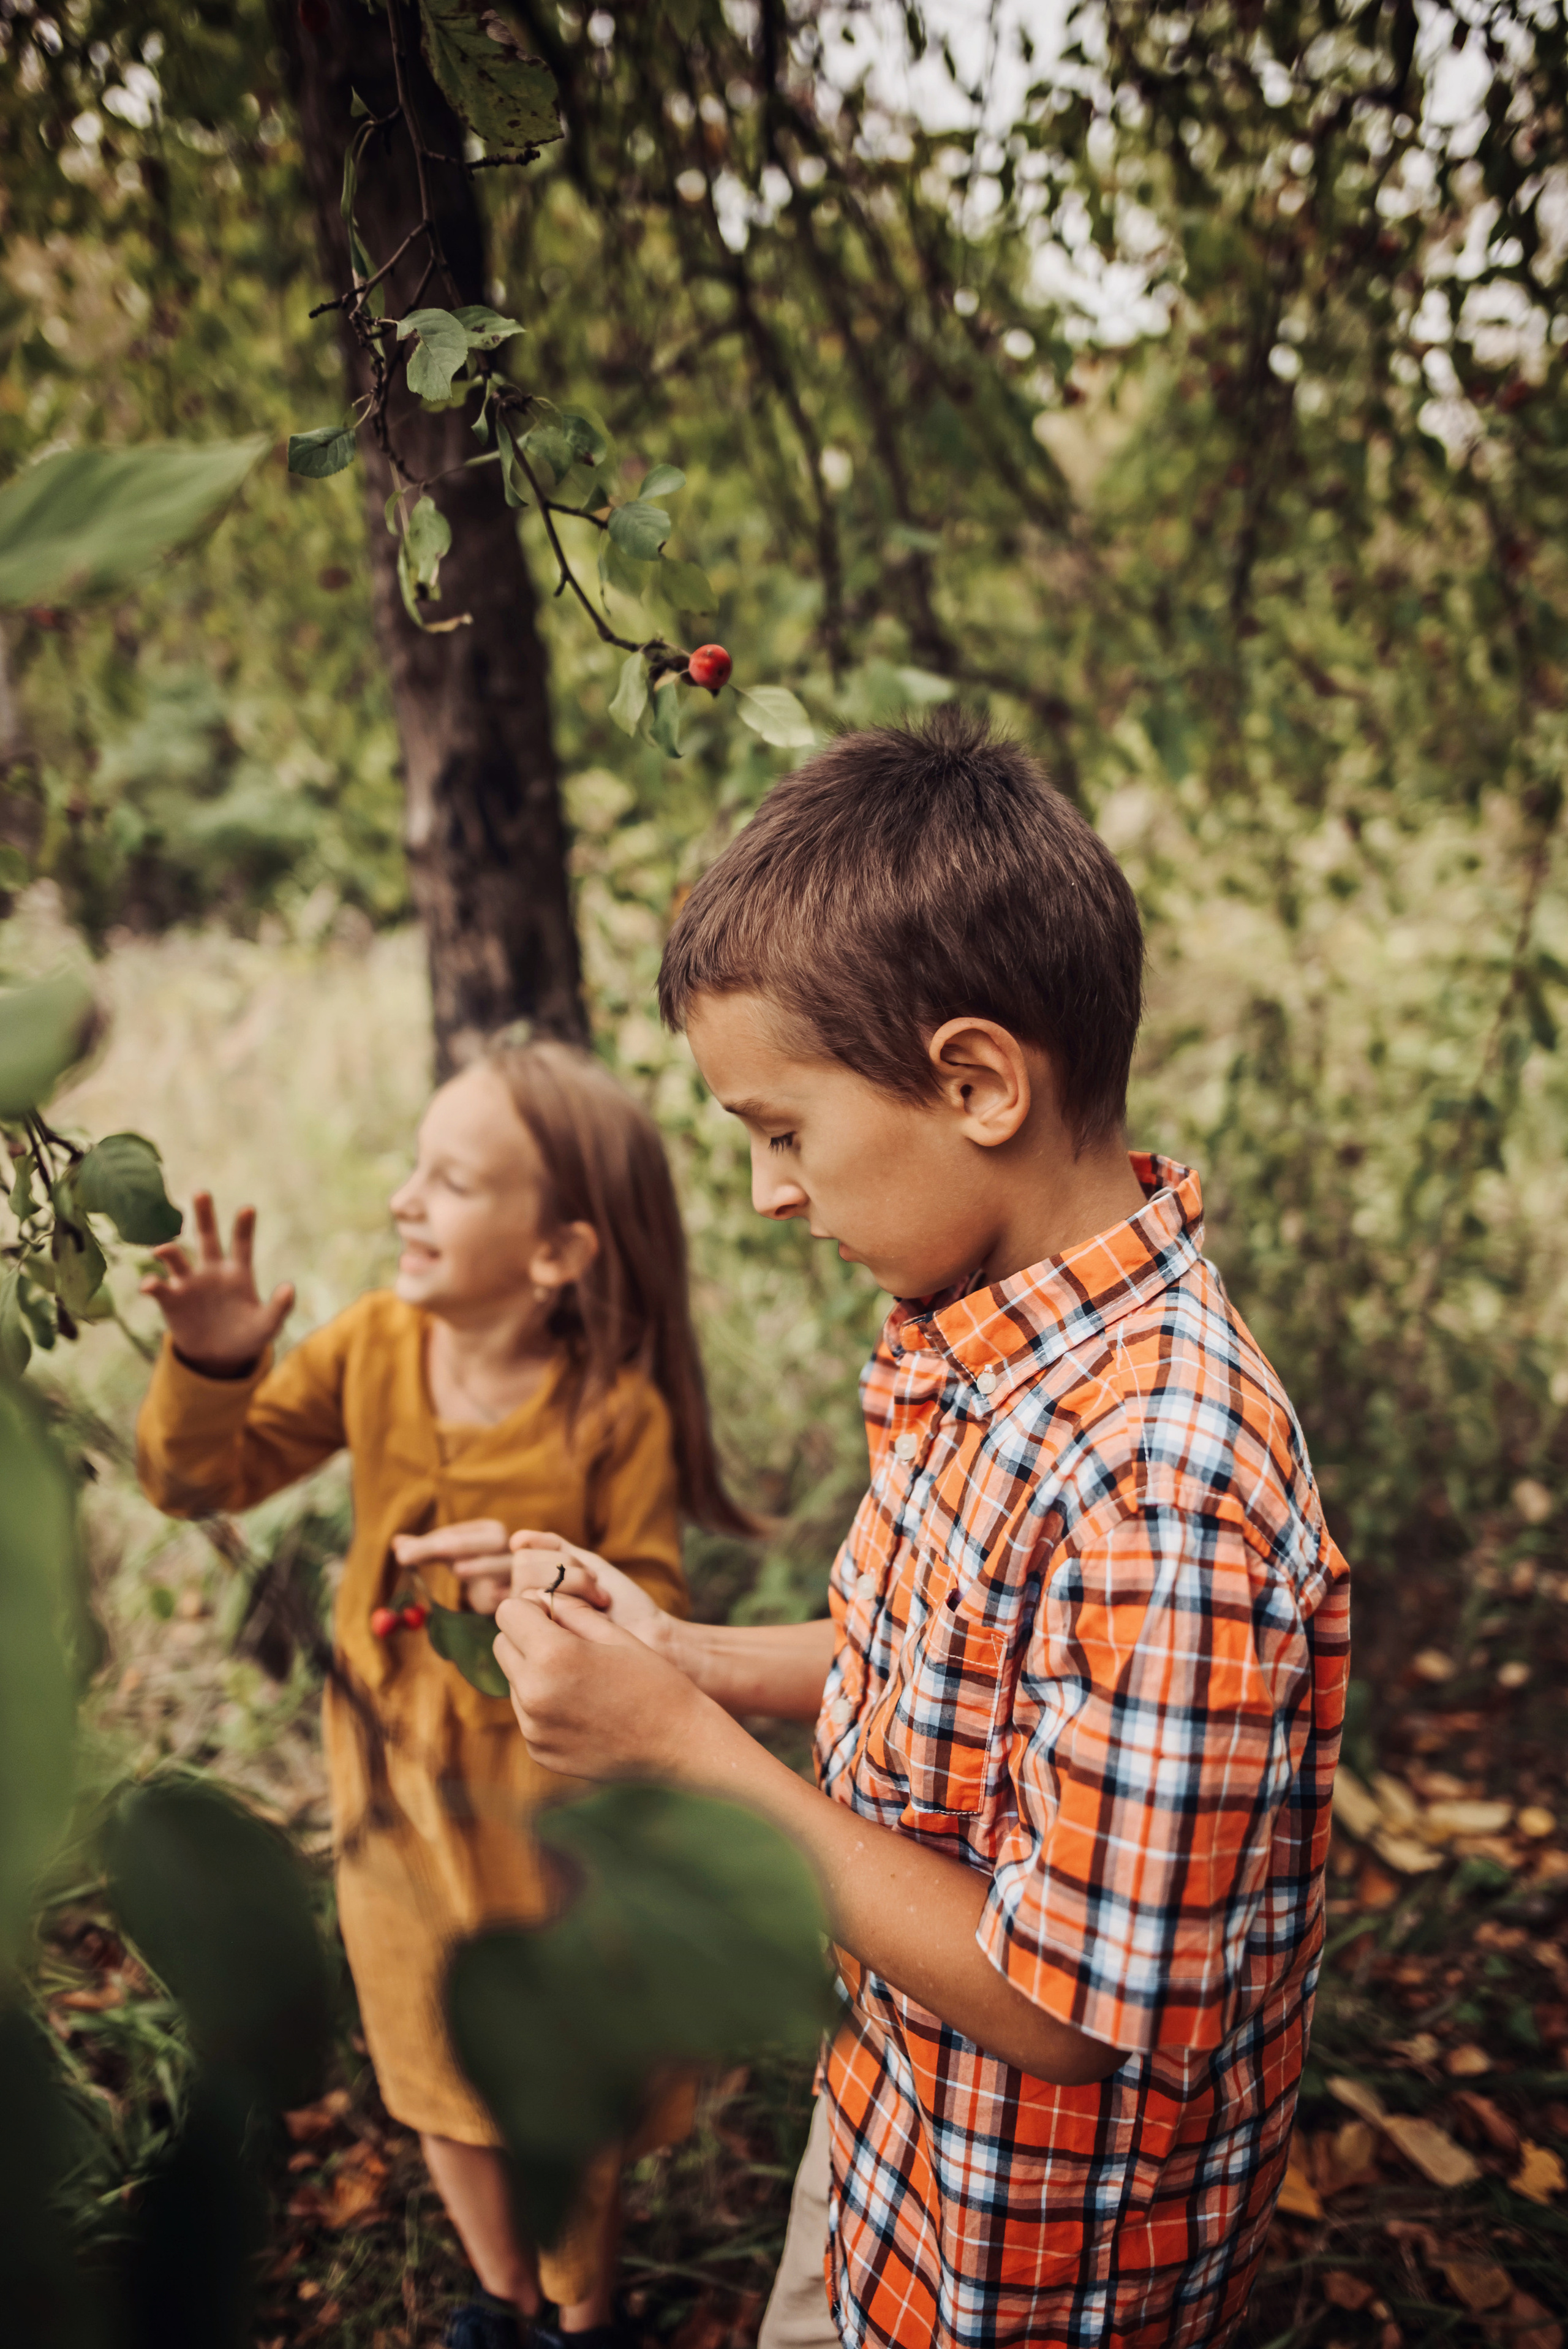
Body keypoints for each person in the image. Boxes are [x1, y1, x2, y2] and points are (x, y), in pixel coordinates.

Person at [488, 710, 1351, 2349]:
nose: (770, 1194)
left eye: (783, 1132)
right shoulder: (997, 1344)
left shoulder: (1161, 1481)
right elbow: (945, 1660)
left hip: (1034, 2271)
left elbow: (1063, 2004)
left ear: (974, 1082)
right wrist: (682, 1656)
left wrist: (683, 1752)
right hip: (896, 2144)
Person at [134, 1035, 753, 2349]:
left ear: (556, 1254)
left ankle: (582, 2317)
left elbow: (658, 1618)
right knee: (426, 2056)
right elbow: (195, 1485)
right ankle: (499, 2300)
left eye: (453, 1180)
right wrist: (217, 1369)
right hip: (396, 1803)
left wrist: (534, 1585)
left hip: (549, 1829)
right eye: (414, 1168)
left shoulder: (610, 1415)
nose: (405, 1199)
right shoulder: (368, 1349)